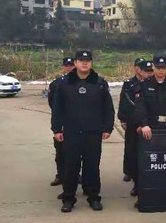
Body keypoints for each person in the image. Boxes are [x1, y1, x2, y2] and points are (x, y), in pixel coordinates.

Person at [51, 50, 115, 213]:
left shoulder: (99, 83)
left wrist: (107, 127)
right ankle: (68, 199)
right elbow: (57, 109)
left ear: (91, 63)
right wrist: (57, 128)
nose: (84, 63)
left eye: (87, 61)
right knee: (70, 167)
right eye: (81, 60)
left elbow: (108, 108)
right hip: (71, 132)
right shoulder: (64, 83)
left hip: (93, 132)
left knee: (92, 166)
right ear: (75, 63)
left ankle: (93, 197)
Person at [133, 55, 166, 204]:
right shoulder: (144, 85)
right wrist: (144, 124)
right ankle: (145, 196)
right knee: (147, 164)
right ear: (153, 67)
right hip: (150, 131)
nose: (161, 70)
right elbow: (140, 106)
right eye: (158, 67)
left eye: (164, 67)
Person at [47, 56, 75, 187]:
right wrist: (59, 124)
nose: (69, 68)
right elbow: (53, 104)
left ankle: (75, 175)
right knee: (60, 152)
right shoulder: (56, 84)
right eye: (67, 66)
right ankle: (60, 175)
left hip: (77, 123)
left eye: (71, 65)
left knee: (76, 154)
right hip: (62, 124)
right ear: (63, 67)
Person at [118, 57, 145, 187]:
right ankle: (128, 171)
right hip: (131, 119)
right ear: (135, 68)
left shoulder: (149, 82)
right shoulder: (129, 83)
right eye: (139, 66)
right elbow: (123, 101)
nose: (141, 69)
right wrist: (122, 118)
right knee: (130, 147)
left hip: (144, 121)